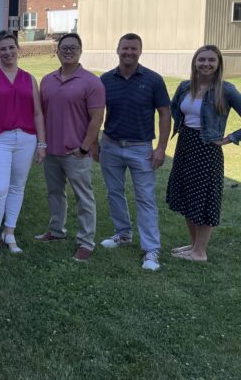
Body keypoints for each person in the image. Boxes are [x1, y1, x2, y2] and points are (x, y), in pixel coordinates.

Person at [0, 31, 46, 263]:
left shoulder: (29, 78)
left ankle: (9, 232)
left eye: (11, 47)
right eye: (3, 49)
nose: (8, 52)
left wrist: (42, 143)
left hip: (25, 139)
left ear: (18, 49)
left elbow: (37, 113)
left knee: (17, 187)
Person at [99, 33, 171, 272]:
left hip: (141, 148)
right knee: (114, 193)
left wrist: (161, 147)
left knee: (145, 198)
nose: (129, 52)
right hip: (110, 145)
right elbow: (97, 113)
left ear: (140, 51)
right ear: (117, 50)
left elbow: (164, 113)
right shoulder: (106, 80)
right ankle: (123, 233)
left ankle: (151, 249)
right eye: (125, 48)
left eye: (133, 49)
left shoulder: (153, 80)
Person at [35, 33, 105, 263]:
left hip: (76, 151)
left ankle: (86, 242)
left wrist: (85, 148)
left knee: (83, 197)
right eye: (64, 47)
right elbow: (40, 114)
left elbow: (97, 119)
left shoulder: (91, 82)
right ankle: (56, 231)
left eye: (73, 47)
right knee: (55, 193)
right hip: (52, 150)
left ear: (80, 50)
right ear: (57, 51)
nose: (68, 51)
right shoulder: (47, 80)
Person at [167, 45, 241, 262]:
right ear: (194, 62)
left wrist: (229, 138)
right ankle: (193, 246)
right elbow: (174, 108)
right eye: (202, 60)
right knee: (188, 195)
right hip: (185, 144)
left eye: (211, 60)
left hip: (207, 149)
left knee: (205, 197)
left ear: (218, 64)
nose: (206, 64)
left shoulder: (225, 90)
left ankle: (200, 252)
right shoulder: (185, 87)